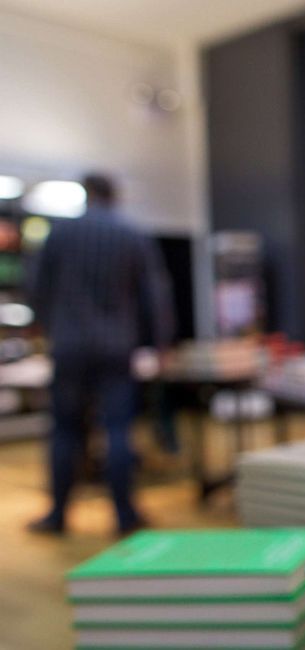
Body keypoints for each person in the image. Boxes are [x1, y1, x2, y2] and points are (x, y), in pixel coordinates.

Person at [28, 173, 173, 536]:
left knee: (64, 430)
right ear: (114, 195)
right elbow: (154, 295)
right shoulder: (131, 234)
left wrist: (50, 327)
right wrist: (159, 344)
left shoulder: (60, 233)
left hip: (70, 344)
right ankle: (124, 515)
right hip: (116, 345)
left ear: (86, 194)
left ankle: (58, 514)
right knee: (118, 429)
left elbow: (37, 289)